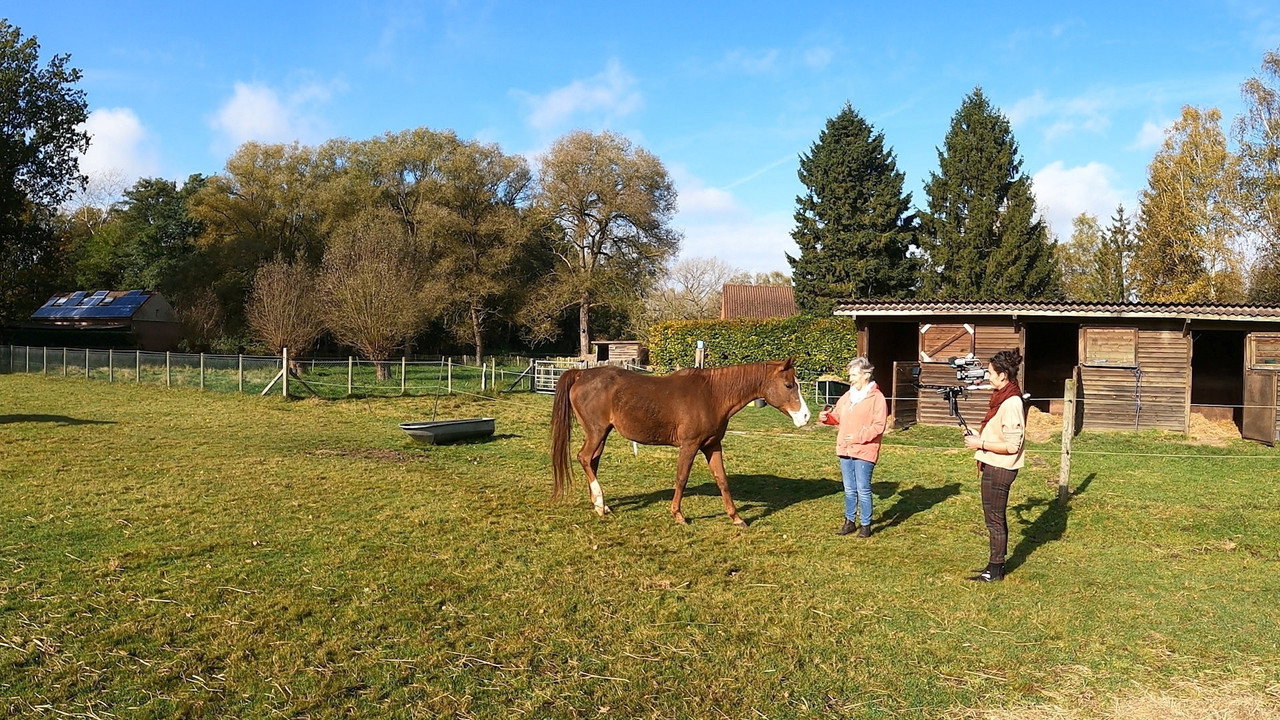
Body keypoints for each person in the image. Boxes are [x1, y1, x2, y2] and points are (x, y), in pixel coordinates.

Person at [962, 349, 1026, 582]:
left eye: (990, 373)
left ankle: (995, 570)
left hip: (1001, 468)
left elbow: (1012, 446)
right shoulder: (1002, 398)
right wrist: (979, 436)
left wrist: (981, 443)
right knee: (992, 518)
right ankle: (994, 565)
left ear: (1002, 375)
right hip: (993, 464)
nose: (988, 377)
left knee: (995, 519)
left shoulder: (1011, 403)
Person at [819, 357, 888, 538]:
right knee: (849, 489)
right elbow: (837, 416)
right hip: (845, 449)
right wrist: (827, 418)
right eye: (850, 375)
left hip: (865, 450)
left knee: (863, 489)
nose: (850, 378)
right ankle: (849, 522)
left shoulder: (877, 398)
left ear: (866, 375)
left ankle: (865, 525)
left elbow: (879, 426)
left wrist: (858, 437)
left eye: (854, 375)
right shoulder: (848, 396)